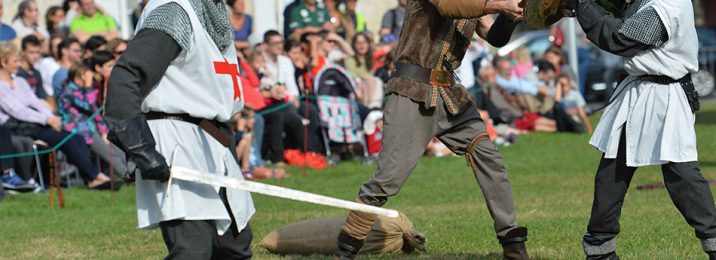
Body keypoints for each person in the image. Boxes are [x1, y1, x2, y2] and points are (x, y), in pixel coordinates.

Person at [334, 0, 530, 259]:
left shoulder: (479, 4)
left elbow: (495, 37)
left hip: (450, 94)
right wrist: (500, 5)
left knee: (489, 157)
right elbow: (452, 7)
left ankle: (513, 247)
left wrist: (515, 13)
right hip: (411, 90)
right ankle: (345, 250)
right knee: (387, 180)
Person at [564, 0, 716, 258]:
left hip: (667, 95)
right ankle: (600, 248)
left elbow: (620, 37)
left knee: (682, 175)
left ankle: (714, 241)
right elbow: (619, 14)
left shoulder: (670, 4)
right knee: (611, 172)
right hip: (637, 93)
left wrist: (582, 4)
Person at [104, 0, 255, 257]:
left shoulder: (213, 14)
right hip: (175, 142)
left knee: (234, 246)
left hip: (212, 141)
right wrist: (141, 148)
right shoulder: (174, 10)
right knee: (192, 249)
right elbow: (125, 79)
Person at [0, 42, 112, 190]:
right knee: (68, 140)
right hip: (17, 126)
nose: (19, 64)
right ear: (3, 62)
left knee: (76, 137)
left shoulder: (20, 81)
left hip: (37, 123)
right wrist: (47, 119)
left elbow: (36, 102)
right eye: (15, 61)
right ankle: (93, 176)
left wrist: (51, 117)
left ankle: (93, 177)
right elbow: (17, 110)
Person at [58, 64, 127, 177]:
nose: (90, 80)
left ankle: (137, 175)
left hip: (93, 129)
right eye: (87, 77)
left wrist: (104, 131)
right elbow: (89, 105)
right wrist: (89, 86)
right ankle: (127, 176)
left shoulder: (82, 91)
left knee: (120, 152)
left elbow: (95, 114)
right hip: (81, 132)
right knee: (110, 154)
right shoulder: (69, 92)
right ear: (77, 79)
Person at [262, 30, 300, 102]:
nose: (280, 46)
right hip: (269, 100)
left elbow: (291, 84)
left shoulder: (286, 61)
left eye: (281, 42)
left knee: (310, 109)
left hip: (286, 98)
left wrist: (294, 97)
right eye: (275, 43)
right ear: (266, 45)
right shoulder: (260, 61)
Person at [17, 35, 48, 101]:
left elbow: (42, 96)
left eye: (37, 52)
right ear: (23, 52)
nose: (35, 56)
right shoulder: (17, 73)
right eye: (31, 52)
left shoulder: (37, 73)